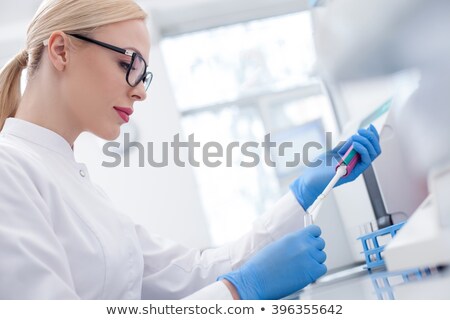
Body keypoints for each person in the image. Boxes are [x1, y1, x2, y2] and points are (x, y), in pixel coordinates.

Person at [0, 0, 381, 300]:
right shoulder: (9, 168)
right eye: (128, 64)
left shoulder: (81, 187)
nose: (141, 90)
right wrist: (238, 291)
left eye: (143, 73)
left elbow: (192, 274)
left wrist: (299, 197)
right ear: (61, 50)